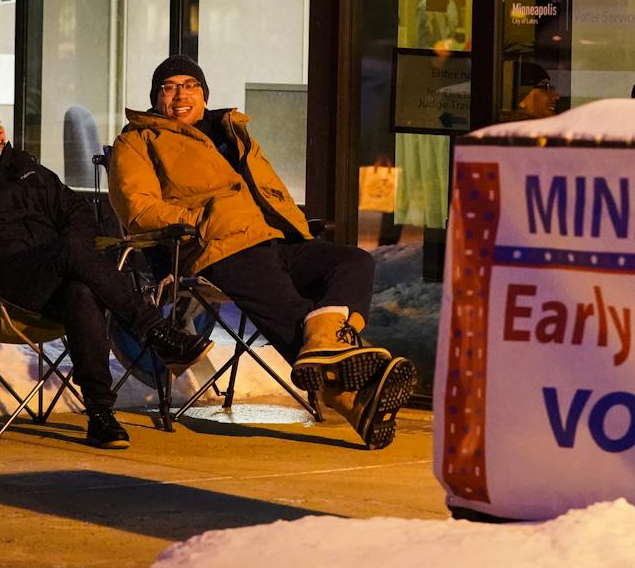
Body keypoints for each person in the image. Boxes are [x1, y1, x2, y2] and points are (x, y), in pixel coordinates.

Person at [107, 54, 417, 450]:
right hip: (214, 244)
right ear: (156, 97)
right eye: (169, 87)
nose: (180, 94)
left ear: (203, 94)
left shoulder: (233, 132)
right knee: (285, 304)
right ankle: (354, 399)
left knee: (352, 262)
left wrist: (296, 228)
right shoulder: (137, 140)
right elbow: (138, 210)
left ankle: (326, 347)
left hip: (275, 237)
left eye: (190, 86)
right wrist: (204, 219)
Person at [0, 95, 210, 450]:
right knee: (70, 255)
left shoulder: (26, 167)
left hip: (44, 279)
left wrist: (68, 250)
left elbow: (76, 211)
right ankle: (155, 332)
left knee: (80, 290)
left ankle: (100, 414)